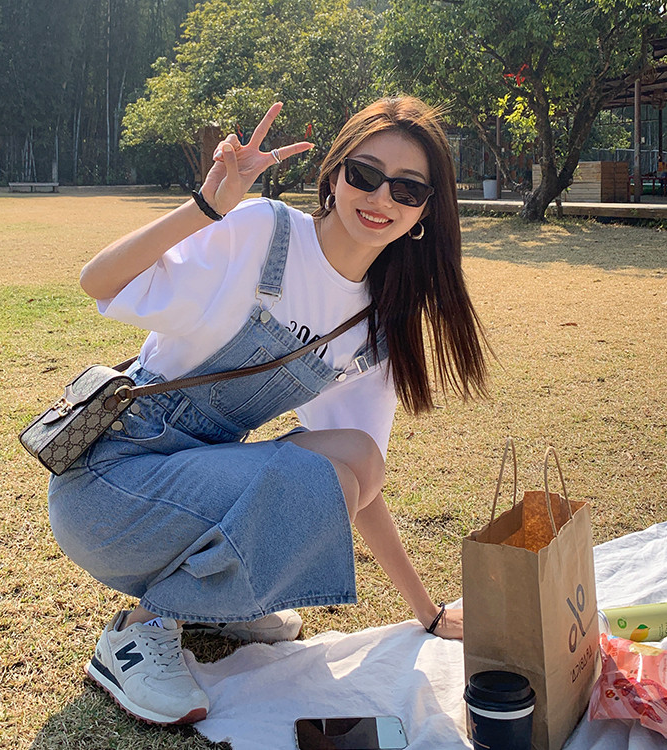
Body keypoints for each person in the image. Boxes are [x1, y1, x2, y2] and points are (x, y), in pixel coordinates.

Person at [48, 97, 489, 726]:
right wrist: (207, 208)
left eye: (407, 188)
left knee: (359, 461)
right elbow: (100, 281)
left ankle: (217, 598)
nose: (380, 198)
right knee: (323, 473)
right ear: (334, 175)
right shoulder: (266, 233)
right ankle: (139, 631)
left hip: (196, 488)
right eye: (364, 174)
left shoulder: (372, 324)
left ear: (425, 210)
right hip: (111, 483)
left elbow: (361, 488)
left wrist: (428, 611)